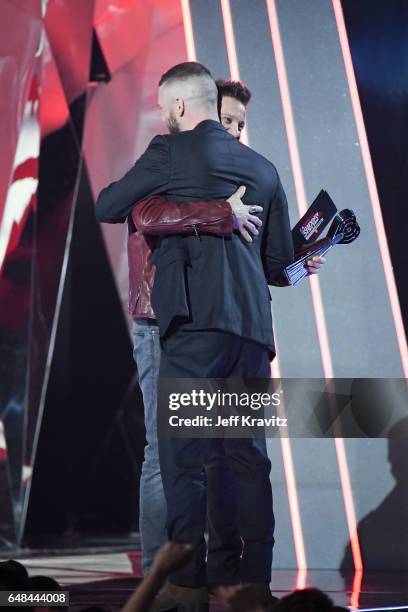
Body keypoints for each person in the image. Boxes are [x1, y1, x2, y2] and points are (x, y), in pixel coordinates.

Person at [96, 62, 324, 608]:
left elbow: (108, 205)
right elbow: (275, 264)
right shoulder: (263, 169)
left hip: (193, 331)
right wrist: (299, 254)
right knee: (248, 459)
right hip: (251, 333)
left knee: (183, 459)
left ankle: (189, 585)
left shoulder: (168, 154)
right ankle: (253, 583)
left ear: (177, 107)